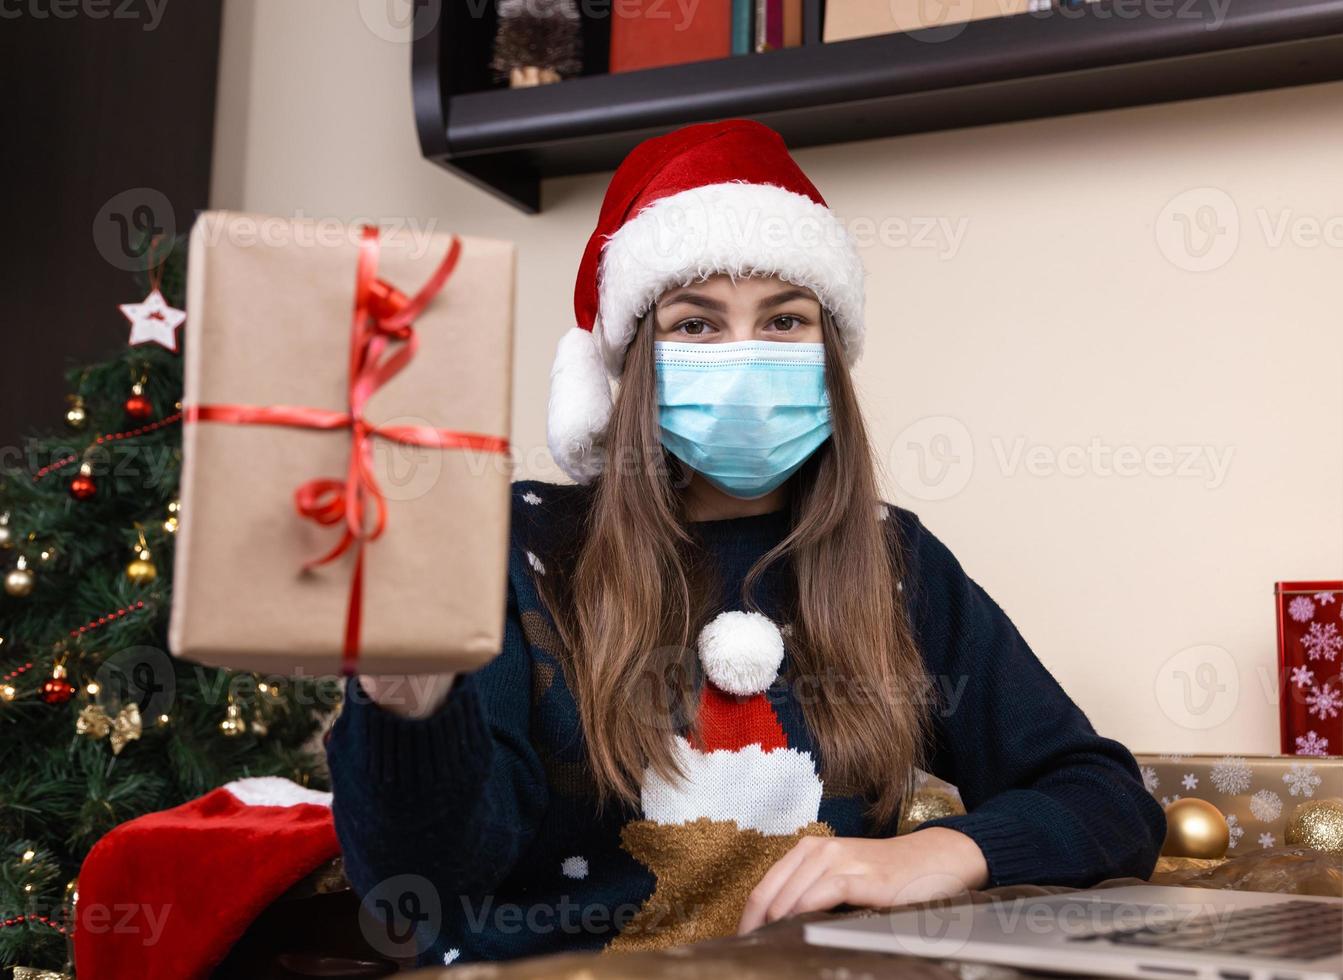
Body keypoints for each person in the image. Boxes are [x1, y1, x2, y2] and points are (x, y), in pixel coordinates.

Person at [327, 119, 1165, 966]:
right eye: (694, 324)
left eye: (785, 320)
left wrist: (934, 853)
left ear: (830, 353)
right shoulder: (519, 546)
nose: (743, 360)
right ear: (634, 361)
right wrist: (407, 713)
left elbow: (1106, 799)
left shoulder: (893, 560)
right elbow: (425, 888)